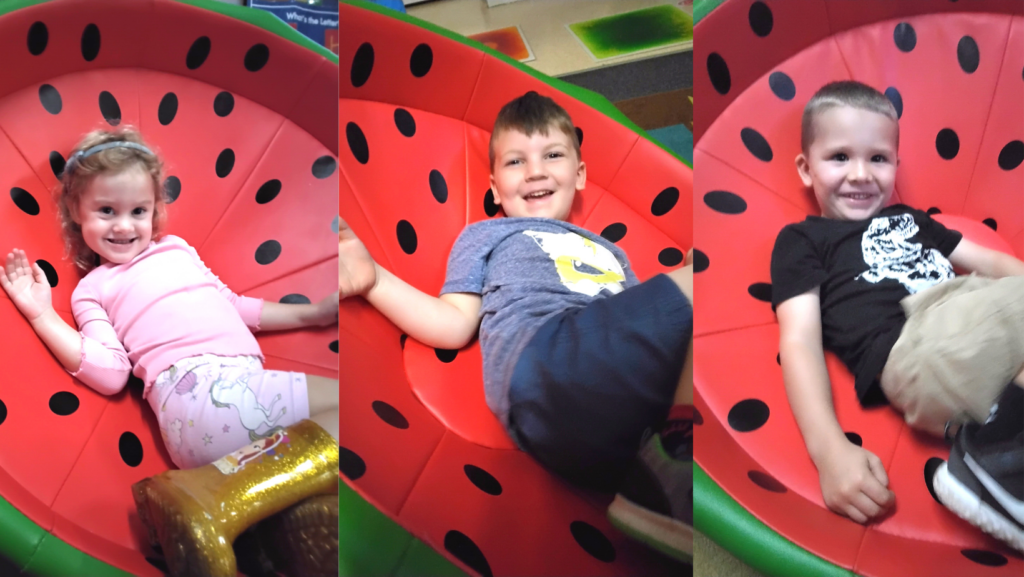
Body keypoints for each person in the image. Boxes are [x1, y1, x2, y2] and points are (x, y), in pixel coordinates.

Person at [339, 91, 693, 561]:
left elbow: (644, 331)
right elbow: (453, 325)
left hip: (616, 427)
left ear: (579, 174)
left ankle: (663, 476)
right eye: (514, 162)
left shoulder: (613, 253)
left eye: (552, 155)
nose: (536, 171)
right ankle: (675, 450)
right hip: (546, 366)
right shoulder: (487, 234)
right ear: (492, 186)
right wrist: (374, 280)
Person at [771, 80, 1023, 550]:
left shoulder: (912, 219)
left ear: (895, 165)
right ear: (806, 169)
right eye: (840, 157)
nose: (862, 174)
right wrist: (828, 451)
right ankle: (991, 465)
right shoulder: (803, 240)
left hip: (975, 348)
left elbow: (991, 263)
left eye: (878, 159)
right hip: (916, 343)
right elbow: (800, 340)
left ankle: (1005, 463)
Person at [0, 128, 340, 470]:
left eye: (137, 211)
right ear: (76, 210)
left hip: (225, 409)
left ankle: (213, 499)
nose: (123, 226)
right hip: (206, 395)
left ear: (154, 211)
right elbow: (113, 373)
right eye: (106, 210)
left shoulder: (178, 248)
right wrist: (42, 314)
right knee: (348, 411)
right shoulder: (93, 288)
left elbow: (233, 306)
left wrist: (314, 314)